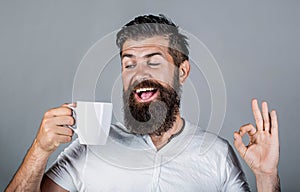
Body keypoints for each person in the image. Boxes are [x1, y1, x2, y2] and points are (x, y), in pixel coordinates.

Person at [5, 14, 280, 191]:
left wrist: (267, 176)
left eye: (154, 61)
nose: (139, 74)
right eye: (129, 64)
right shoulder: (90, 148)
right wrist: (40, 150)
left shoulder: (216, 155)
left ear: (182, 71)